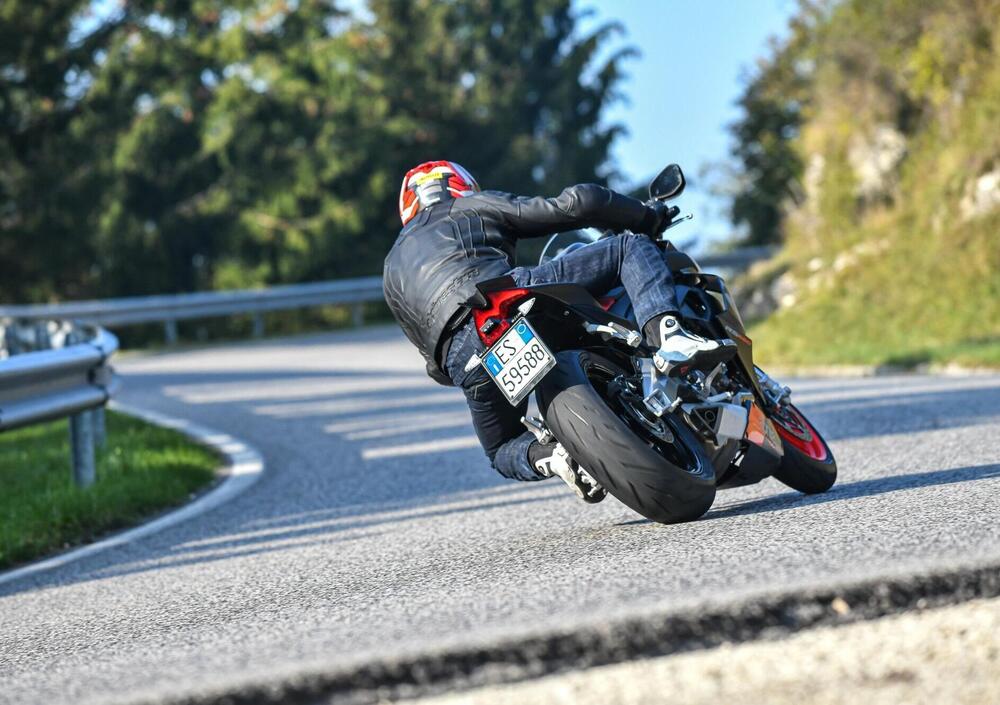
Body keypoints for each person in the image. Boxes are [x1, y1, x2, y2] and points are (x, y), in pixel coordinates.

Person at [383, 160, 732, 501]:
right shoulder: (468, 206)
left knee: (501, 448)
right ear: (460, 186)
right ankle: (669, 337)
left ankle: (552, 457)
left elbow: (434, 365)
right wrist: (646, 216)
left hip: (464, 357)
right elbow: (577, 203)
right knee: (630, 248)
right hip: (502, 298)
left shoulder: (391, 270)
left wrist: (466, 368)